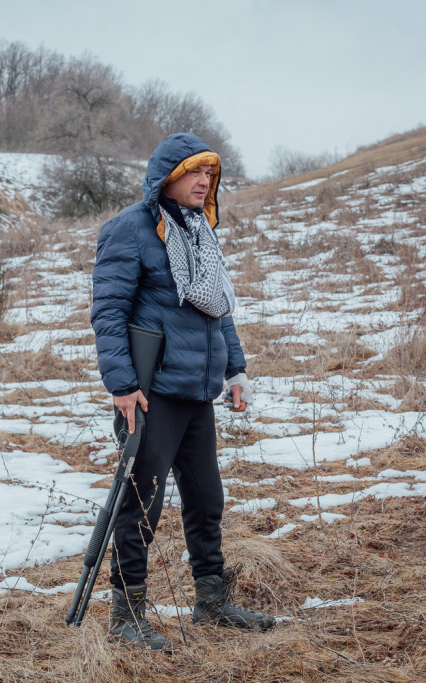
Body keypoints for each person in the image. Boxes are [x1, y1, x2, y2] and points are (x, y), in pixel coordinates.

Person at [90, 132, 275, 651]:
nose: (204, 182)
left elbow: (219, 310)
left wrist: (234, 371)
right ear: (167, 175)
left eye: (210, 174)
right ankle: (126, 618)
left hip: (197, 393)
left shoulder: (200, 233)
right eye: (194, 172)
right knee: (141, 505)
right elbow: (108, 313)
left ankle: (212, 603)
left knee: (206, 499)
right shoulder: (130, 229)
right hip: (152, 395)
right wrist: (122, 386)